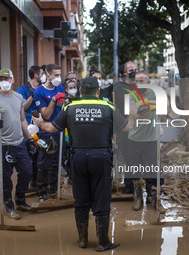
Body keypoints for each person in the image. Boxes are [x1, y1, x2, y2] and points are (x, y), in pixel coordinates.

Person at [32, 77, 138, 252]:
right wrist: (133, 113)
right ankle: (103, 242)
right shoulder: (108, 107)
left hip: (78, 157)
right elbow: (127, 127)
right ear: (98, 91)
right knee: (101, 198)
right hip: (101, 158)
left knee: (81, 199)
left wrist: (39, 123)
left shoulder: (70, 107)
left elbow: (51, 128)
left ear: (80, 90)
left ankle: (82, 240)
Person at [0, 68, 37, 220]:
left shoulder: (18, 97)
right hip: (2, 144)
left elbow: (22, 120)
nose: (4, 82)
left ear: (13, 80)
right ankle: (8, 203)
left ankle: (20, 199)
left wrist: (30, 139)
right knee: (5, 176)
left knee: (27, 172)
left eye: (7, 79)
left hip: (19, 142)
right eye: (1, 79)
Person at [128, 70, 165, 212]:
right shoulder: (131, 95)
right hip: (134, 139)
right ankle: (138, 197)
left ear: (149, 83)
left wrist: (147, 102)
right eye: (137, 81)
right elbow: (133, 116)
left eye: (142, 81)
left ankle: (156, 199)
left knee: (154, 171)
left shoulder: (155, 93)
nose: (139, 83)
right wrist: (149, 109)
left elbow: (166, 104)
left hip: (151, 139)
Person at [34, 64, 66, 200]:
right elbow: (46, 115)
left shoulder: (60, 87)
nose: (58, 78)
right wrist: (53, 100)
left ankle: (53, 190)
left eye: (60, 75)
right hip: (46, 134)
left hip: (60, 132)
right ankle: (41, 192)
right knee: (44, 163)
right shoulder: (39, 92)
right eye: (56, 75)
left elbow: (63, 108)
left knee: (57, 162)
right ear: (48, 76)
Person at [17, 66, 44, 188]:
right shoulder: (22, 90)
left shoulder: (43, 88)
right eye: (42, 73)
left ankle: (37, 181)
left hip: (41, 123)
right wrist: (32, 95)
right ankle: (26, 183)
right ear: (35, 75)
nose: (43, 76)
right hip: (27, 125)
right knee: (28, 152)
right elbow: (22, 108)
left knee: (39, 151)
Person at [115, 61, 138, 194]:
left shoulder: (140, 85)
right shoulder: (119, 88)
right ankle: (130, 185)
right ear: (123, 74)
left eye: (135, 69)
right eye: (130, 71)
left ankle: (144, 184)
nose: (134, 72)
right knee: (129, 156)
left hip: (143, 126)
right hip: (126, 126)